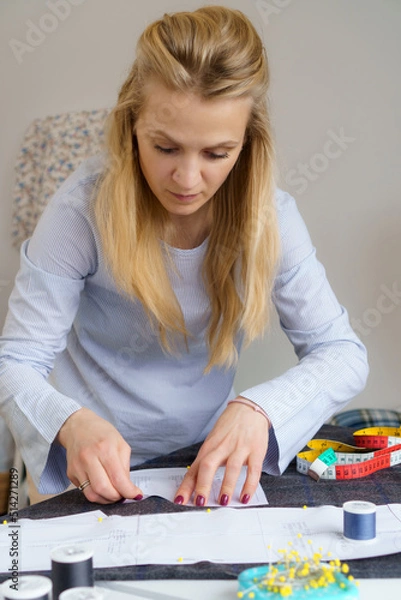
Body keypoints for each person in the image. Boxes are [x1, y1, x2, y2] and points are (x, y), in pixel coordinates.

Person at [0, 6, 368, 507]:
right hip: (80, 470)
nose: (188, 180)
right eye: (165, 147)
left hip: (197, 466)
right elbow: (16, 361)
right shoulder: (80, 209)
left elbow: (343, 354)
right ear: (131, 126)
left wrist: (259, 408)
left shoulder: (271, 217)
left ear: (248, 144)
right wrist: (67, 421)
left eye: (216, 153)